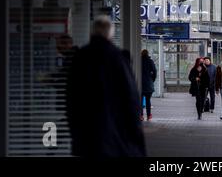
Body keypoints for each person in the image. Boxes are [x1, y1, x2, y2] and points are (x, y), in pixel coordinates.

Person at [67, 15, 146, 157]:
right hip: (114, 131)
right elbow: (131, 98)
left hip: (86, 131)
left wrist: (75, 130)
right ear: (110, 33)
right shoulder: (118, 57)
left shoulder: (80, 57)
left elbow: (71, 97)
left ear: (92, 32)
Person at [141, 49, 157, 121]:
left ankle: (140, 115)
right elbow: (154, 71)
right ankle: (148, 115)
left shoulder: (139, 61)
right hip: (148, 84)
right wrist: (152, 80)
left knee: (140, 100)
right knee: (148, 100)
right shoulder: (150, 61)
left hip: (140, 84)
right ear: (147, 54)